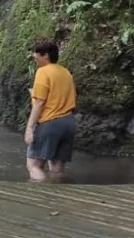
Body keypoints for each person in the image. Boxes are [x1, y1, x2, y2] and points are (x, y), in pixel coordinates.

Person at [24, 41, 77, 182]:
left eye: (36, 58)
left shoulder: (43, 72)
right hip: (69, 123)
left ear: (45, 56)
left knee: (34, 165)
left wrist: (29, 128)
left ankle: (39, 195)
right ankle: (56, 197)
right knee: (57, 168)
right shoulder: (66, 72)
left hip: (50, 122)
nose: (35, 61)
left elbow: (40, 102)